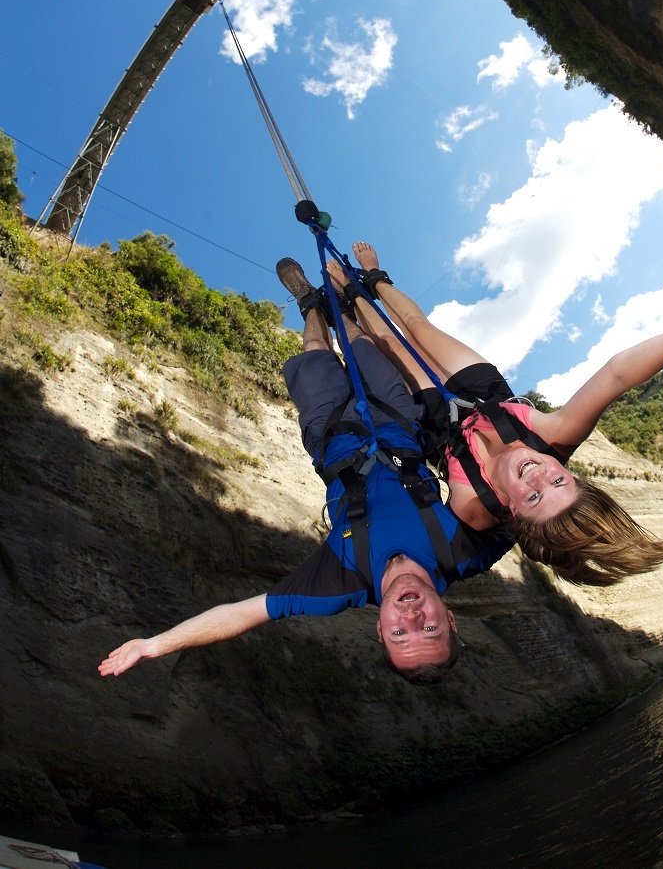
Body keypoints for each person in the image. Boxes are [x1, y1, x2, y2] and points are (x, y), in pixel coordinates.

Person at [98, 259, 512, 686]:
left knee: (316, 352)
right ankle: (339, 311)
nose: (411, 616)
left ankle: (309, 306)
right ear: (451, 620)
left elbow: (242, 614)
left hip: (333, 435)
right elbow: (538, 515)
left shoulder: (339, 582)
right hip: (399, 424)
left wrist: (155, 645)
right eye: (429, 628)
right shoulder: (467, 552)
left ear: (379, 629)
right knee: (359, 346)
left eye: (398, 633)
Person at [328, 241, 663, 586]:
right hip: (484, 395)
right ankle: (374, 277)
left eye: (532, 497)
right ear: (573, 475)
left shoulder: (475, 508)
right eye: (558, 481)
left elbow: (428, 545)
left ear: (513, 513)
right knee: (419, 328)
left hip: (439, 428)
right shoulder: (556, 437)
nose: (537, 475)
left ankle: (351, 301)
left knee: (388, 345)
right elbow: (617, 375)